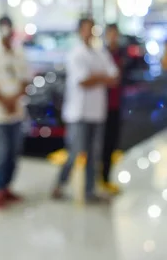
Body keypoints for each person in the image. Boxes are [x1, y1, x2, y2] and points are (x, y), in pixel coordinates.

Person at [53, 17, 119, 203]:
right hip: (78, 113)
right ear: (80, 31)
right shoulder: (76, 54)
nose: (89, 32)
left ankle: (90, 190)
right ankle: (60, 184)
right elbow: (83, 81)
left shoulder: (99, 53)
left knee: (93, 154)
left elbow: (113, 76)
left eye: (92, 29)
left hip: (97, 112)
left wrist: (96, 77)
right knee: (75, 152)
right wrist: (101, 77)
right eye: (86, 29)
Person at [0, 16, 30, 209]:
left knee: (13, 153)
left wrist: (15, 99)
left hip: (16, 111)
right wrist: (4, 101)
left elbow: (26, 78)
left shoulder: (18, 52)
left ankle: (7, 187)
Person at [100, 24, 124, 195]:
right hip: (101, 107)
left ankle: (106, 177)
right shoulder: (101, 55)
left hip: (117, 104)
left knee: (112, 143)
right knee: (101, 143)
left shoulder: (120, 54)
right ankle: (98, 178)